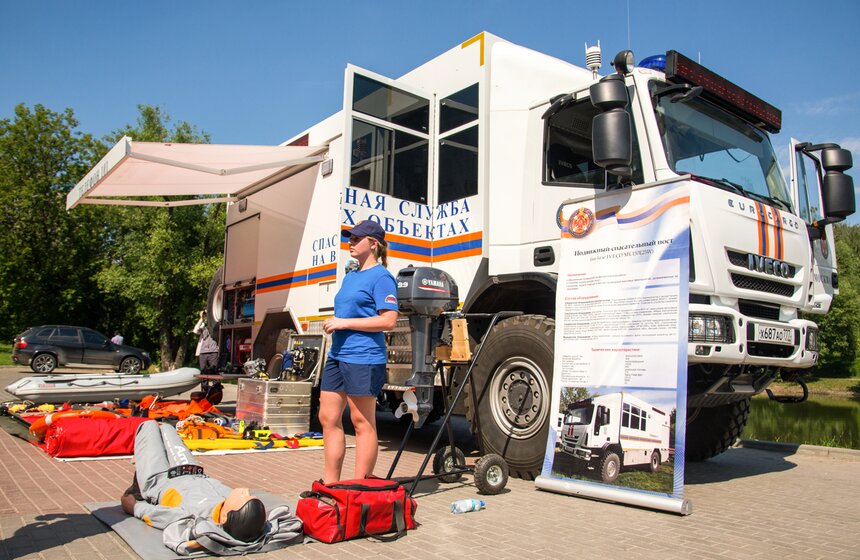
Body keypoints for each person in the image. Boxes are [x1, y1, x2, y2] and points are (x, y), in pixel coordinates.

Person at [121, 420, 302, 554]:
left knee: (148, 426)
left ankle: (141, 470)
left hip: (158, 479)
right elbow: (285, 524)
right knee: (167, 427)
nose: (244, 491)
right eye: (248, 495)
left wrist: (133, 506)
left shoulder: (196, 517)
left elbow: (158, 516)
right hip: (189, 470)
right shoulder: (229, 505)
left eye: (242, 498)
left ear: (224, 517)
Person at [320, 220, 398, 484]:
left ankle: (359, 490)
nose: (350, 242)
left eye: (356, 239)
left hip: (363, 357)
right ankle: (330, 488)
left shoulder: (382, 277)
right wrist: (337, 319)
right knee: (328, 417)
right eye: (349, 238)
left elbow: (388, 321)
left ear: (373, 244)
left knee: (361, 422)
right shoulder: (351, 276)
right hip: (338, 355)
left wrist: (344, 322)